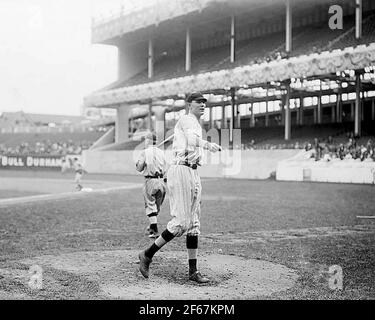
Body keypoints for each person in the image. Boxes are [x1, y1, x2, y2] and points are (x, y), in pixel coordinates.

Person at [138, 92, 221, 284]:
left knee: (194, 224)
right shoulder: (186, 119)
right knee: (181, 223)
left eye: (204, 103)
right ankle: (147, 254)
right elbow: (192, 142)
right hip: (181, 169)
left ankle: (193, 271)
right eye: (198, 102)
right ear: (189, 105)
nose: (202, 105)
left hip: (193, 171)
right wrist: (209, 145)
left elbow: (191, 143)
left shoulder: (195, 123)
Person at [135, 132, 167, 238]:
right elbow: (167, 168)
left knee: (150, 204)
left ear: (148, 141)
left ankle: (154, 230)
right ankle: (152, 226)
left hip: (150, 180)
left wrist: (138, 163)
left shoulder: (145, 152)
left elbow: (139, 168)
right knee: (156, 206)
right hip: (162, 181)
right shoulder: (162, 153)